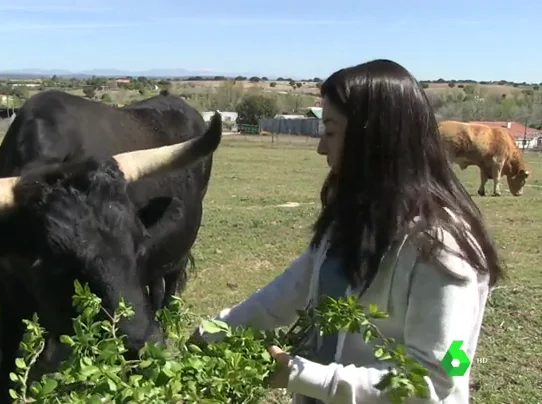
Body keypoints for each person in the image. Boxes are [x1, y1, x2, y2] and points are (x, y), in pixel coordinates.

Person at [188, 59, 503, 404]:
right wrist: (215, 331)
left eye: (331, 131)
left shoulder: (441, 246)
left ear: (374, 138)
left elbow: (439, 379)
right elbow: (290, 291)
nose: (322, 147)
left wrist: (301, 375)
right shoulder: (353, 217)